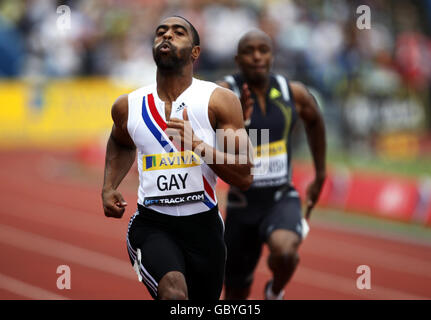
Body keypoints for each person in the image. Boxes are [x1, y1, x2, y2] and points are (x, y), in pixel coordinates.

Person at [101, 16, 253, 300]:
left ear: (195, 51)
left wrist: (198, 145)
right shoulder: (128, 106)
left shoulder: (220, 100)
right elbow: (120, 142)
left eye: (178, 32)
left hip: (204, 227)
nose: (167, 36)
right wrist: (109, 186)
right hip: (152, 225)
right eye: (161, 32)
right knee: (174, 294)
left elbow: (244, 174)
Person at [217, 29, 326, 300]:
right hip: (241, 205)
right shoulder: (224, 92)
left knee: (286, 253)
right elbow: (201, 131)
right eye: (249, 51)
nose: (256, 56)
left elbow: (315, 120)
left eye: (263, 50)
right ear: (237, 58)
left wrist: (320, 172)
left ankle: (274, 292)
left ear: (272, 55)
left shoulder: (293, 93)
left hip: (280, 197)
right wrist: (233, 120)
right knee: (235, 294)